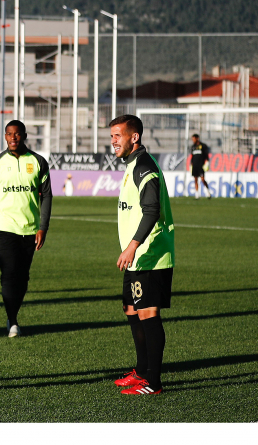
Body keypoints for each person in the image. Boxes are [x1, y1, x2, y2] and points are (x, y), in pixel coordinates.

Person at [109, 114, 175, 396]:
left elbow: (152, 211)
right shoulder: (132, 164)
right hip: (137, 256)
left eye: (118, 135)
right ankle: (142, 370)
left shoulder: (144, 167)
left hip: (150, 254)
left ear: (134, 137)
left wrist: (132, 245)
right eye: (112, 136)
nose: (113, 141)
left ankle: (154, 382)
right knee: (131, 309)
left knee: (148, 313)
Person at [0, 120, 52, 337]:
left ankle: (12, 316)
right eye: (9, 134)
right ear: (5, 136)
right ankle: (13, 321)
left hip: (30, 229)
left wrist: (43, 227)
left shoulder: (38, 162)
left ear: (24, 136)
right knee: (9, 274)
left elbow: (47, 195)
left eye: (17, 134)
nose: (13, 137)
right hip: (5, 227)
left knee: (23, 277)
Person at [188, 134, 212, 199]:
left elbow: (206, 155)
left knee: (202, 179)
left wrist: (207, 163)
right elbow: (192, 156)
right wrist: (191, 164)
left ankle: (208, 192)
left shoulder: (203, 146)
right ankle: (197, 194)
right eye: (192, 139)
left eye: (194, 139)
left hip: (201, 165)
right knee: (195, 179)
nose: (193, 140)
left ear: (197, 138)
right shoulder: (193, 147)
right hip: (195, 165)